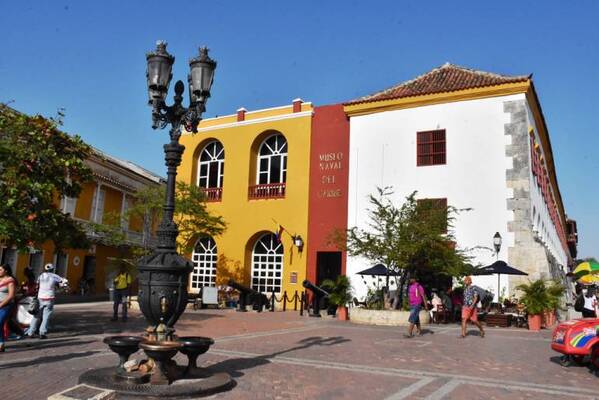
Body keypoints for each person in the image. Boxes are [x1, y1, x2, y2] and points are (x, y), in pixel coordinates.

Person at [25, 263, 67, 339]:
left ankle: (30, 332)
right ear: (52, 269)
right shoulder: (54, 276)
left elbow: (37, 286)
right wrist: (63, 287)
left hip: (40, 298)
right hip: (49, 298)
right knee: (46, 316)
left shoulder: (40, 276)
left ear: (45, 269)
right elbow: (64, 282)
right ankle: (42, 333)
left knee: (36, 316)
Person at [0, 264, 17, 352]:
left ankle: (1, 343)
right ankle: (1, 343)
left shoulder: (10, 280)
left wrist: (1, 304)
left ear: (6, 271)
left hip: (6, 305)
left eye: (0, 270)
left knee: (0, 322)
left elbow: (11, 295)